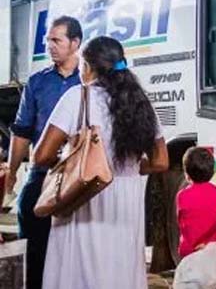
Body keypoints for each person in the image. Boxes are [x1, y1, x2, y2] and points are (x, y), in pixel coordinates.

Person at [32, 36, 169, 289]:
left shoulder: (78, 97)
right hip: (126, 205)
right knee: (120, 272)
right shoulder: (140, 104)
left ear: (87, 66)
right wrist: (130, 167)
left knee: (81, 272)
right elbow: (161, 162)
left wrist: (72, 161)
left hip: (85, 195)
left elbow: (41, 156)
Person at [5, 16, 83, 289]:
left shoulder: (89, 80)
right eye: (48, 40)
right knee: (31, 224)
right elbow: (22, 131)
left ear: (75, 43)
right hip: (43, 174)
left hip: (79, 176)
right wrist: (12, 173)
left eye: (56, 40)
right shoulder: (37, 82)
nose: (50, 46)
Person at [176, 147, 216, 258]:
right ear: (213, 171)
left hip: (188, 251)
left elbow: (181, 223)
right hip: (210, 252)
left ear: (187, 174)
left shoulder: (181, 196)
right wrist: (209, 242)